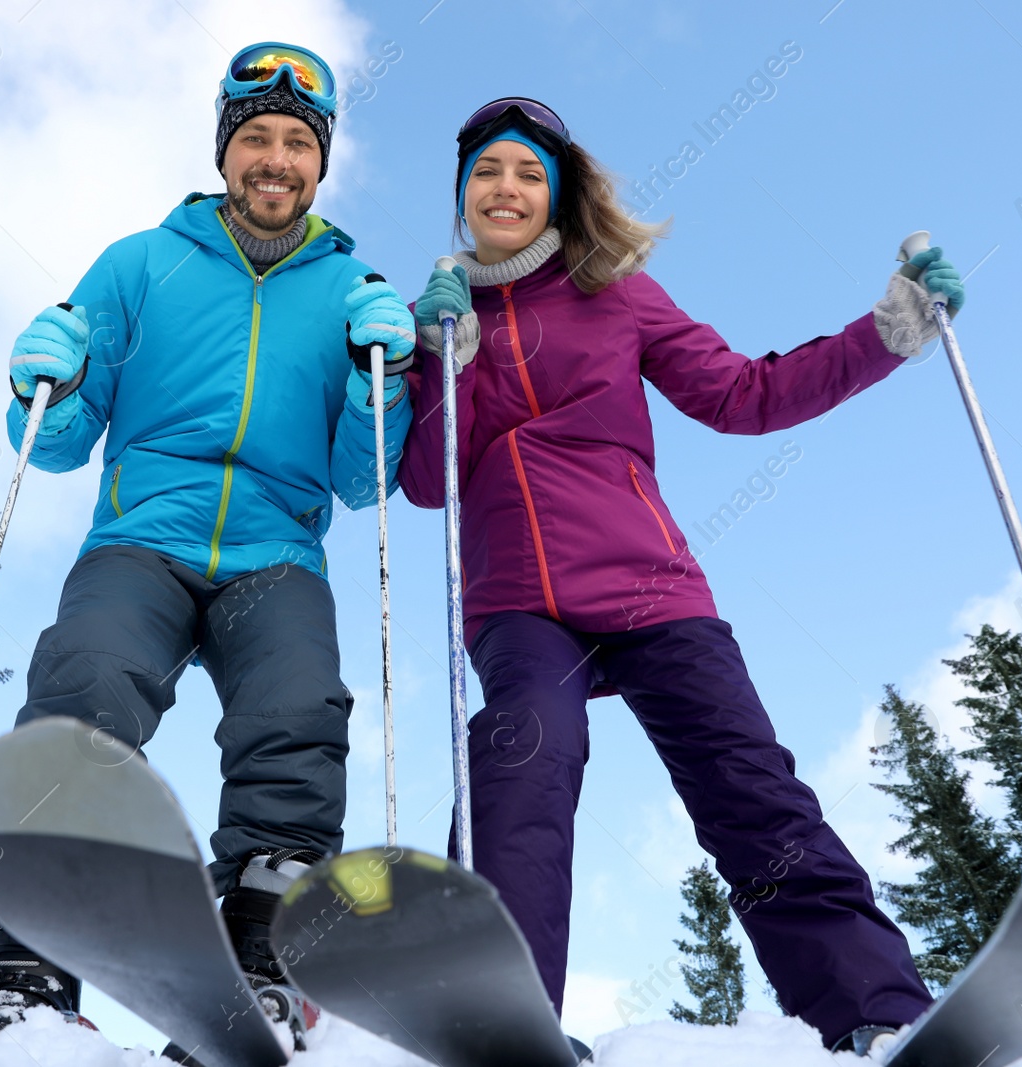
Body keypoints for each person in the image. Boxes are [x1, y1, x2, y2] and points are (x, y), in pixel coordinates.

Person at [398, 97, 964, 1057]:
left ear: (558, 196)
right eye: (488, 172)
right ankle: (498, 1018)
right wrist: (442, 360)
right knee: (521, 759)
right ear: (462, 197)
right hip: (518, 602)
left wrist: (890, 331)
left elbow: (746, 395)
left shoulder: (615, 295)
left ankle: (875, 1007)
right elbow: (421, 482)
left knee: (749, 784)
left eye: (530, 174)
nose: (507, 188)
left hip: (648, 584)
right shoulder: (442, 322)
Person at [0, 43, 416, 1040]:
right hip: (143, 535)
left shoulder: (349, 289)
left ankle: (264, 952)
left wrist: (383, 381)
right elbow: (60, 446)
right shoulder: (141, 263)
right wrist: (54, 375)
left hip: (277, 553)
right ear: (226, 149)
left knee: (296, 714)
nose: (275, 158)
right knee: (83, 687)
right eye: (256, 136)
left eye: (298, 142)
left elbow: (358, 477)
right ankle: (26, 963)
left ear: (320, 161)